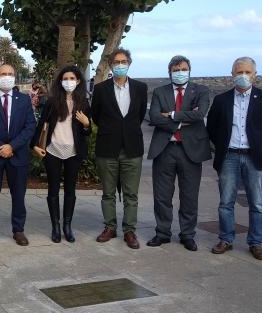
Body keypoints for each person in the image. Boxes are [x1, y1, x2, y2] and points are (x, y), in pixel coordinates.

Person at [147, 56, 211, 251]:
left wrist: (173, 115)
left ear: (189, 70)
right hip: (165, 149)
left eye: (184, 68)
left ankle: (187, 235)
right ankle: (162, 233)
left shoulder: (201, 91)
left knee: (189, 196)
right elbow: (155, 117)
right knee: (162, 196)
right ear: (169, 72)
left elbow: (200, 115)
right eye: (176, 69)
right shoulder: (159, 91)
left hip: (191, 150)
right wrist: (184, 119)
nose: (180, 72)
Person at [207, 57, 262, 260]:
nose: (243, 76)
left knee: (257, 203)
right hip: (229, 155)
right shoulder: (221, 100)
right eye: (239, 72)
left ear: (254, 75)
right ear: (232, 74)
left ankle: (256, 242)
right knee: (226, 201)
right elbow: (211, 128)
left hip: (254, 157)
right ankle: (226, 239)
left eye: (248, 72)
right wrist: (222, 145)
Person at [91, 48, 148, 249]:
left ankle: (130, 231)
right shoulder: (100, 89)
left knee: (131, 194)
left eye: (124, 61)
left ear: (129, 63)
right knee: (108, 192)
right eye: (117, 62)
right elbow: (96, 116)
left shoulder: (141, 88)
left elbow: (140, 115)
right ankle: (110, 227)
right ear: (111, 65)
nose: (120, 65)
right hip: (108, 147)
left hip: (132, 148)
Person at [0, 64, 36, 246]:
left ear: (15, 77)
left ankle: (18, 230)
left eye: (10, 74)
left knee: (18, 194)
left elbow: (30, 127)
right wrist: (0, 146)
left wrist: (12, 146)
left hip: (17, 156)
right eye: (3, 74)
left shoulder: (24, 100)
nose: (7, 77)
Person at [31, 66, 91, 243]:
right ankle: (55, 227)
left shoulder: (84, 103)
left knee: (71, 191)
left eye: (72, 78)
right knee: (53, 190)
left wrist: (87, 124)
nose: (69, 82)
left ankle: (67, 226)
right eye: (65, 79)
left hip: (73, 152)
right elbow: (41, 123)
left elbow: (86, 133)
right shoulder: (52, 102)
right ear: (60, 81)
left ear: (78, 81)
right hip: (53, 150)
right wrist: (34, 145)